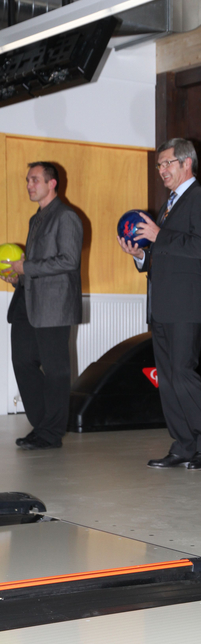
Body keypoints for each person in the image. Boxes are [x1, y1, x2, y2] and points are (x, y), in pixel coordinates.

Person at [117, 138, 201, 471]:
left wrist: (158, 235)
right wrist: (141, 255)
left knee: (183, 374)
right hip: (163, 303)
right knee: (168, 377)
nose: (161, 170)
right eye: (159, 165)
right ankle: (183, 444)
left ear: (187, 163)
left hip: (186, 303)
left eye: (167, 163)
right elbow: (166, 254)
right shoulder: (169, 205)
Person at [4, 162, 83, 450]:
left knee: (56, 371)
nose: (29, 185)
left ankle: (50, 434)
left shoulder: (66, 216)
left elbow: (69, 260)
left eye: (35, 180)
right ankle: (43, 427)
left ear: (52, 183)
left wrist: (26, 267)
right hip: (27, 302)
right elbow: (37, 265)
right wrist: (18, 277)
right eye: (27, 180)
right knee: (22, 362)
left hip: (54, 305)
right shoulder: (35, 219)